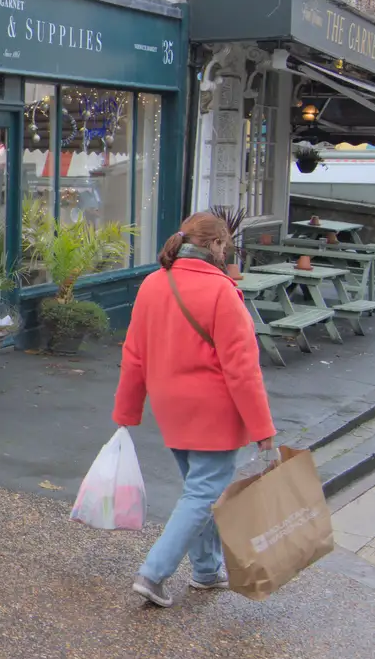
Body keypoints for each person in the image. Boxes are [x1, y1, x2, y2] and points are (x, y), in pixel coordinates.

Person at [113, 212, 275, 607]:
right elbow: (242, 370)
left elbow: (133, 354)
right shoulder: (222, 292)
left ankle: (206, 570)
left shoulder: (152, 283)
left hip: (170, 407)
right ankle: (153, 573)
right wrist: (263, 430)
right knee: (204, 492)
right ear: (216, 245)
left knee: (199, 491)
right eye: (225, 246)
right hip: (213, 411)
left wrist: (127, 413)